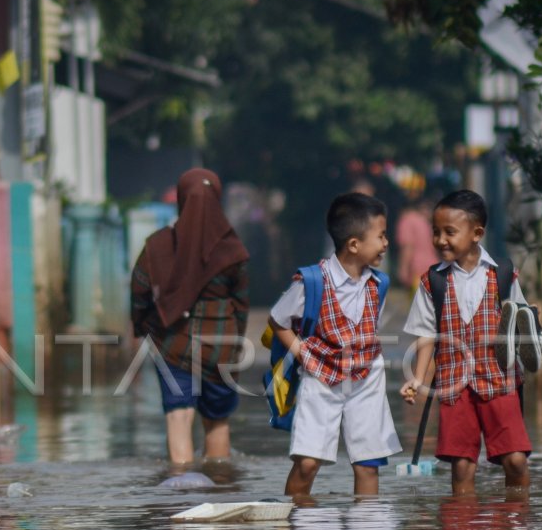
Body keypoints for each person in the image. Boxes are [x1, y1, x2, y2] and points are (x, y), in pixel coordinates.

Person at [399, 190, 534, 494]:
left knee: (515, 460)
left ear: (477, 233)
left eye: (449, 232)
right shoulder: (431, 281)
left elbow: (520, 323)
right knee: (462, 466)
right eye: (436, 232)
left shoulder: (502, 275)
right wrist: (419, 380)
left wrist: (532, 339)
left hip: (500, 382)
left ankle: (516, 526)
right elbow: (426, 336)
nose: (440, 240)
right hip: (453, 385)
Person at [267, 192, 401, 497]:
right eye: (380, 236)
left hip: (366, 379)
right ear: (354, 244)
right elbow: (278, 321)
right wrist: (303, 353)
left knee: (368, 464)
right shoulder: (311, 282)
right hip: (320, 380)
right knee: (308, 463)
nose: (386, 243)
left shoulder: (379, 284)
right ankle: (295, 526)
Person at [131, 168, 250, 464]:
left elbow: (139, 293)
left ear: (181, 201)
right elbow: (241, 303)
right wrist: (234, 341)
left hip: (172, 344)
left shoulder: (156, 247)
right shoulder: (233, 251)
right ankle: (220, 488)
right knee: (217, 419)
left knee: (179, 416)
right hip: (221, 346)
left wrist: (143, 326)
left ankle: (181, 494)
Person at [395, 199, 436, 291]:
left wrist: (403, 269)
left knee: (416, 302)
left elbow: (408, 246)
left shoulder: (406, 220)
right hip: (431, 267)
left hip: (416, 270)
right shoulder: (423, 221)